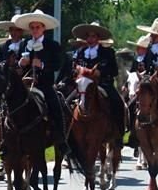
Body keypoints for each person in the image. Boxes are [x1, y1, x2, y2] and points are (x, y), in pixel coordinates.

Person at [16, 9, 67, 149]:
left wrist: (42, 65)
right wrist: (21, 63)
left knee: (55, 105)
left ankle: (60, 138)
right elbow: (16, 65)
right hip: (25, 83)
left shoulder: (52, 45)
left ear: (43, 28)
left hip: (44, 83)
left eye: (37, 27)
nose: (34, 30)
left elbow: (57, 65)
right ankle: (6, 139)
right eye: (32, 28)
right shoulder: (24, 44)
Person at [71, 22, 124, 129]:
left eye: (93, 36)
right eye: (88, 36)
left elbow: (114, 71)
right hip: (82, 85)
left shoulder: (108, 52)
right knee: (65, 101)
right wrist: (76, 70)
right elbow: (73, 68)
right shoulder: (81, 52)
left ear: (98, 38)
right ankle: (68, 135)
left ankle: (118, 132)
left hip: (102, 84)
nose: (90, 39)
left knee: (117, 102)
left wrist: (100, 72)